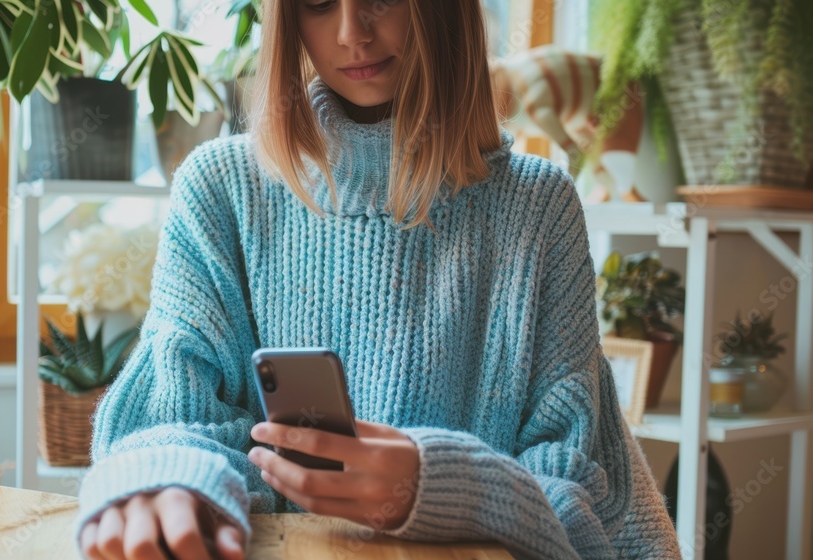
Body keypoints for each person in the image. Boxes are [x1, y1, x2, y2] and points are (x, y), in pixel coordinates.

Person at [75, 1, 681, 559]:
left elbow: (579, 502)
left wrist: (441, 486)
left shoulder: (538, 205)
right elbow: (172, 423)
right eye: (317, 4)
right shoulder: (220, 189)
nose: (351, 33)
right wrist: (168, 477)